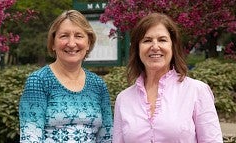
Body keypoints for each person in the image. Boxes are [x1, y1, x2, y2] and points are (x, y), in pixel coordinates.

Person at [113, 13, 223, 143]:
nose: (155, 47)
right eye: (147, 40)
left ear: (173, 46)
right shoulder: (123, 99)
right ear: (137, 48)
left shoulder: (196, 91)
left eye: (162, 40)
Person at [19, 10, 113, 143]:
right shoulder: (38, 81)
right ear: (52, 43)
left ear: (88, 43)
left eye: (79, 36)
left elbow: (107, 136)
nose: (71, 43)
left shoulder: (98, 85)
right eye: (64, 36)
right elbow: (30, 137)